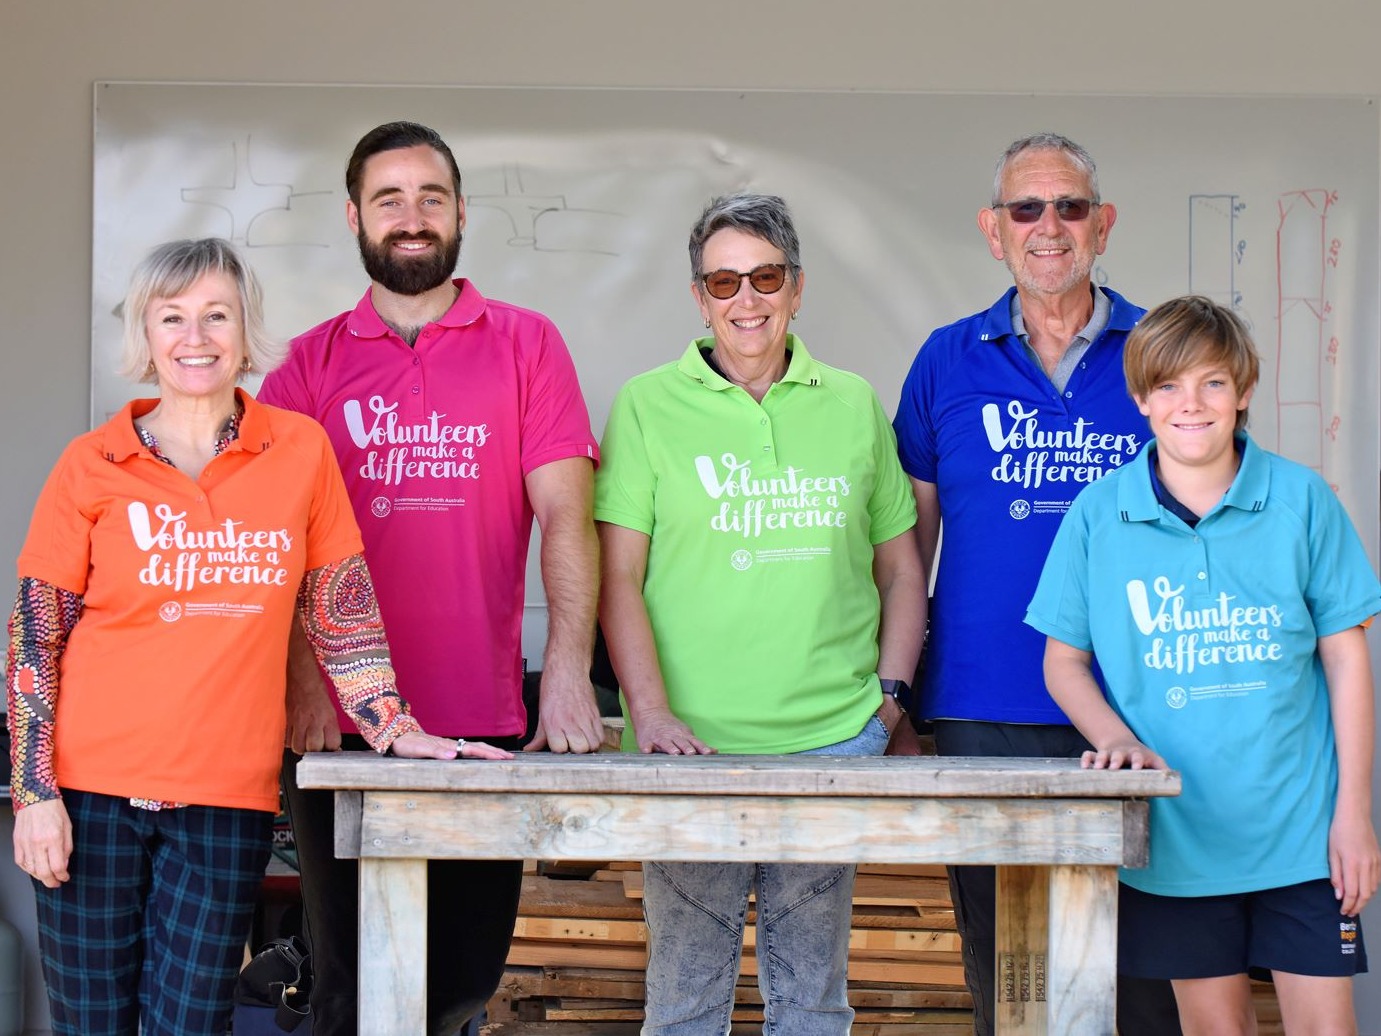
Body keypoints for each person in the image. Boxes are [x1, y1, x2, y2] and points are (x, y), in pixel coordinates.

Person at [4, 238, 505, 1036]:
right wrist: (35, 795)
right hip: (90, 798)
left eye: (215, 315)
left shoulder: (299, 450)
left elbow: (339, 608)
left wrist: (393, 725)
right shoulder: (90, 464)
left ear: (245, 329)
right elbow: (35, 638)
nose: (194, 337)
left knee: (192, 1025)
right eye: (172, 317)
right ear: (145, 332)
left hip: (223, 800)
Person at [257, 121, 603, 1035]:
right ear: (354, 218)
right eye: (389, 199)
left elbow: (567, 514)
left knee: (457, 990)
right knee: (348, 992)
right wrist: (300, 682)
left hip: (478, 721)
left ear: (457, 212)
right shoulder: (306, 366)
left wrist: (566, 670)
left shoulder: (527, 344)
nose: (411, 218)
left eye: (430, 197)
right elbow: (272, 542)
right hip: (342, 726)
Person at [596, 192, 925, 1035]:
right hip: (691, 751)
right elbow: (618, 578)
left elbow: (900, 569)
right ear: (699, 298)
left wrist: (885, 703)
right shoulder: (644, 405)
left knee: (812, 1003)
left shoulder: (851, 403)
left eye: (764, 277)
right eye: (721, 283)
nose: (745, 300)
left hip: (831, 745)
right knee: (683, 1007)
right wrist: (654, 715)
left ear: (797, 286)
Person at [1026, 294, 1381, 1034]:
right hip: (1176, 837)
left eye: (1212, 382)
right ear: (1139, 398)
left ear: (1243, 392)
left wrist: (1352, 815)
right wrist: (1113, 739)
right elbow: (1062, 663)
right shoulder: (1098, 513)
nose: (1190, 404)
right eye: (1167, 385)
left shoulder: (1301, 500)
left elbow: (1347, 658)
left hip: (1301, 837)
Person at [892, 132, 1181, 1033]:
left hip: (1139, 706)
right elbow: (907, 556)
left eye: (1068, 207)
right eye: (1026, 208)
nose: (1047, 226)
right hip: (982, 707)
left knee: (1141, 979)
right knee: (1012, 983)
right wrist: (895, 700)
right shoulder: (945, 358)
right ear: (993, 229)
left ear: (1103, 224)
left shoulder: (1160, 351)